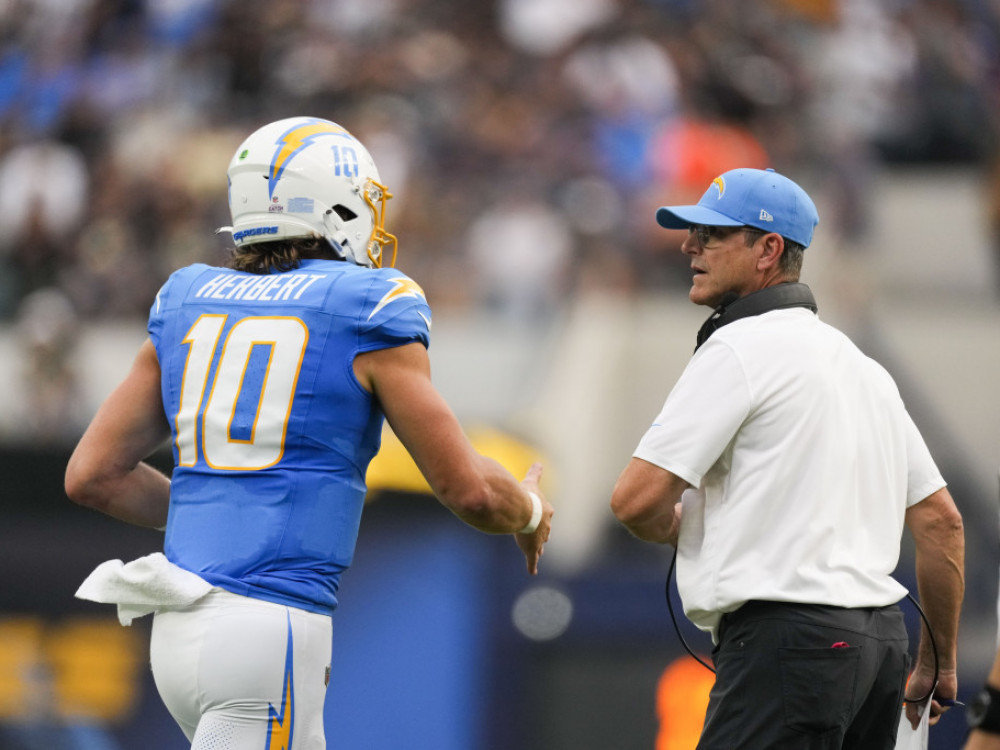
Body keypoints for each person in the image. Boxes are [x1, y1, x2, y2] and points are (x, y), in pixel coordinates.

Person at [64, 116, 553, 749]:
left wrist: (220, 513)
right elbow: (472, 492)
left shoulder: (188, 296)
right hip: (268, 630)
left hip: (178, 633)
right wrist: (531, 508)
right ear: (336, 205)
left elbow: (92, 475)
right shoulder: (368, 306)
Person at [610, 167, 965, 748]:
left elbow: (633, 501)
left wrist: (681, 529)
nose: (688, 245)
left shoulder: (736, 347)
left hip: (789, 643)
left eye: (714, 234)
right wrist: (938, 661)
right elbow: (941, 523)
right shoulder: (862, 367)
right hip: (881, 649)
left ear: (768, 249)